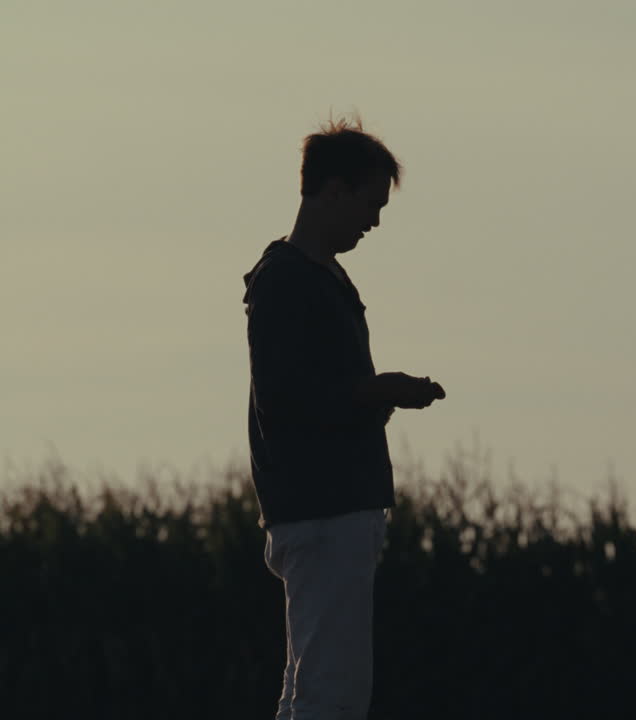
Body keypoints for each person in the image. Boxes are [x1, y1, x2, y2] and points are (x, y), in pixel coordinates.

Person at [242, 113, 445, 720]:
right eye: (369, 203)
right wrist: (375, 391)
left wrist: (375, 396)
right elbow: (287, 401)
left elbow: (305, 396)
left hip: (328, 509)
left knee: (309, 692)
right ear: (333, 190)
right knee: (332, 696)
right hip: (323, 512)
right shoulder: (286, 282)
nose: (374, 221)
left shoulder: (313, 277)